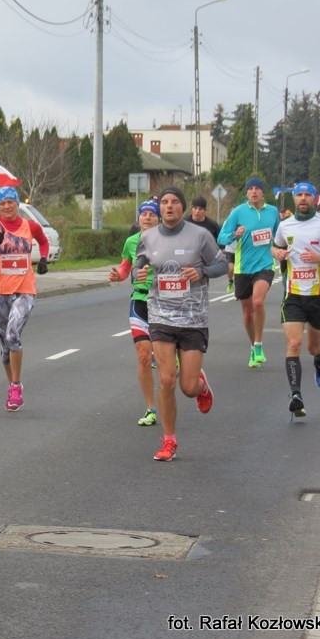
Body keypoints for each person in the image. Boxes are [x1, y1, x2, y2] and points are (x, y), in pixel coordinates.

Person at [134, 187, 227, 462]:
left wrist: (201, 272)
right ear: (159, 207)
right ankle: (169, 441)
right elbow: (142, 258)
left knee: (187, 387)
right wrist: (140, 269)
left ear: (182, 207)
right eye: (164, 202)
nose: (169, 206)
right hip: (160, 314)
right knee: (165, 379)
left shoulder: (200, 235)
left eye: (175, 202)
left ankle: (201, 385)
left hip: (193, 318)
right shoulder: (148, 236)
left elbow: (222, 265)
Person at [271, 184, 320, 418]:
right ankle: (296, 394)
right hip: (293, 294)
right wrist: (278, 253)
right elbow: (275, 247)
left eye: (307, 195)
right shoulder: (285, 225)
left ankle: (319, 359)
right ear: (294, 199)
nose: (303, 199)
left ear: (315, 199)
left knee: (313, 346)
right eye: (299, 195)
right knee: (293, 344)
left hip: (319, 295)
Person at [0, 186, 49, 411]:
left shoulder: (30, 226)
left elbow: (43, 241)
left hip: (25, 289)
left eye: (11, 202)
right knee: (6, 348)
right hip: (0, 292)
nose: (7, 206)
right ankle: (12, 385)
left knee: (13, 335)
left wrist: (43, 259)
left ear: (17, 204)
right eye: (2, 203)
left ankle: (16, 386)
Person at [217, 177, 281, 368]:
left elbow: (279, 235)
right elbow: (221, 236)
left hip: (265, 265)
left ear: (263, 192)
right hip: (243, 268)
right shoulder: (238, 212)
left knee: (258, 301)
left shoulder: (272, 212)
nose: (254, 192)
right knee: (247, 314)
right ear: (246, 193)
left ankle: (259, 345)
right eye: (250, 189)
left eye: (257, 189)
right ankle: (253, 347)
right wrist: (234, 235)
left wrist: (281, 250)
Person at [108, 198, 160, 426]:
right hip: (139, 300)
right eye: (144, 214)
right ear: (138, 218)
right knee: (143, 355)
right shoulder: (131, 241)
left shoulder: (167, 240)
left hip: (164, 302)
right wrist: (117, 275)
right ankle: (150, 408)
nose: (147, 217)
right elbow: (125, 267)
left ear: (159, 219)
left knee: (166, 358)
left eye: (152, 214)